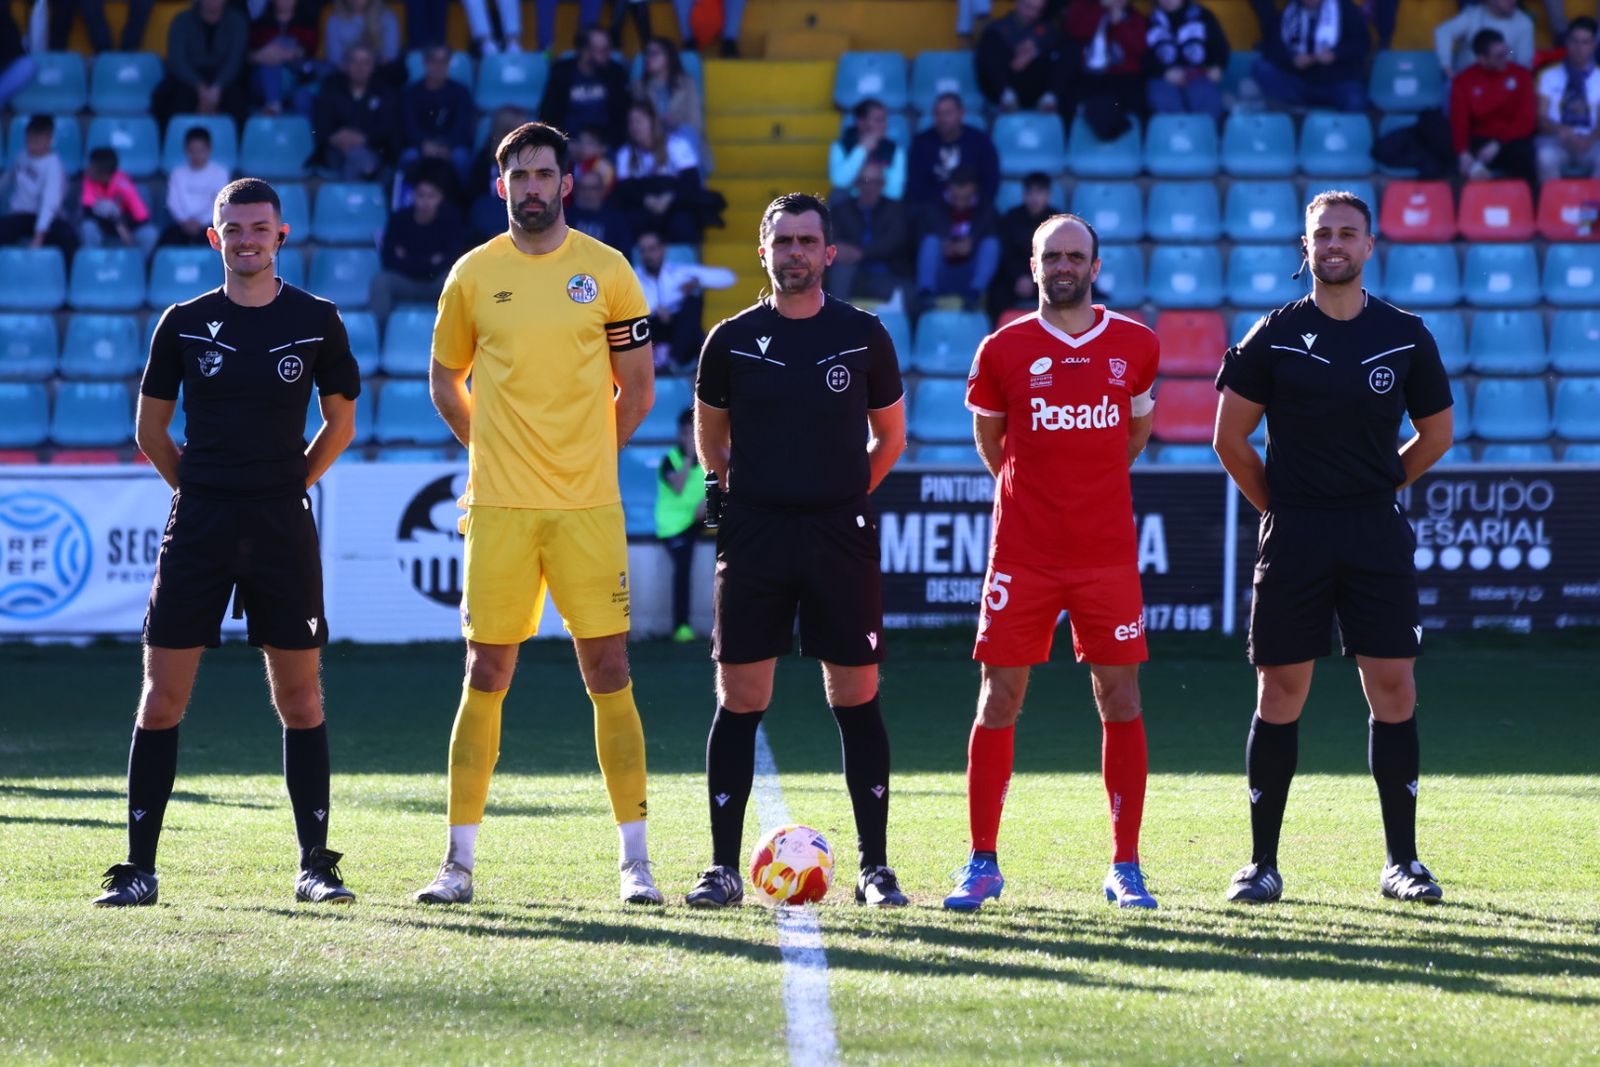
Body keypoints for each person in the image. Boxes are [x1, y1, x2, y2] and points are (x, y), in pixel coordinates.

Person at [92, 177, 362, 907]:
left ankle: (315, 866)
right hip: (201, 524)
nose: (246, 240)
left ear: (281, 235)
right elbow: (150, 430)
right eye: (232, 229)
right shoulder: (182, 322)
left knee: (300, 697)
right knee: (161, 698)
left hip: (280, 523)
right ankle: (138, 870)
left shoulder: (317, 319)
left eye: (258, 228)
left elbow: (341, 424)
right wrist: (199, 489)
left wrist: (288, 482)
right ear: (215, 238)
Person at [414, 122, 661, 907]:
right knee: (485, 671)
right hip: (500, 507)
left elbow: (639, 390)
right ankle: (456, 864)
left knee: (609, 670)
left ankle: (635, 864)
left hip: (588, 507)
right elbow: (445, 378)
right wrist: (489, 446)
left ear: (566, 183)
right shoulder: (472, 274)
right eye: (518, 176)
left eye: (544, 174)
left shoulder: (608, 271)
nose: (531, 188)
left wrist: (587, 455)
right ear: (501, 186)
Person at [1212, 190, 1455, 906]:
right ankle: (1261, 865)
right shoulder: (1274, 334)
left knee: (1394, 687)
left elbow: (1437, 434)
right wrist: (1280, 506)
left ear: (1370, 245)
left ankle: (1403, 863)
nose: (1335, 244)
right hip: (1296, 533)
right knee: (1279, 692)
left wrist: (1378, 486)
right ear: (1306, 245)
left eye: (1348, 233)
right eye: (1323, 234)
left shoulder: (1404, 334)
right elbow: (1229, 438)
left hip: (1374, 531)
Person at [686, 192, 909, 909]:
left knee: (857, 695)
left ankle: (875, 869)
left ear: (829, 252)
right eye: (783, 242)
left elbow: (890, 438)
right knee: (740, 697)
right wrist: (751, 497)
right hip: (755, 536)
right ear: (764, 253)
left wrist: (840, 494)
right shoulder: (729, 340)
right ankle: (722, 870)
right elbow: (711, 440)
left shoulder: (863, 334)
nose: (795, 253)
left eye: (807, 241)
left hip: (840, 534)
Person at [943, 213, 1161, 913]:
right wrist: (1035, 496)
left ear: (1095, 266)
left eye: (1075, 256)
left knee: (1120, 699)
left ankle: (1125, 866)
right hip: (1024, 554)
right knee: (998, 698)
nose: (1063, 266)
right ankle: (982, 862)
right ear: (1033, 266)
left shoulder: (1136, 344)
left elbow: (1134, 432)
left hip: (1106, 555)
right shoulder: (1002, 349)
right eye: (1051, 256)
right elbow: (993, 444)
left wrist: (1089, 486)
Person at [369, 174, 468, 321]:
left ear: (440, 197)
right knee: (381, 281)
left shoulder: (450, 219)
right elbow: (388, 258)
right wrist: (431, 261)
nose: (425, 201)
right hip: (405, 281)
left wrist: (407, 259)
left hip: (436, 281)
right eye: (421, 195)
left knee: (458, 281)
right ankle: (379, 332)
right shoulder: (399, 219)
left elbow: (454, 257)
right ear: (413, 196)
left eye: (431, 196)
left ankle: (455, 333)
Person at [635, 229, 734, 371]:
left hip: (678, 330)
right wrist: (657, 309)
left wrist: (697, 282)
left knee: (692, 303)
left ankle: (674, 360)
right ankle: (669, 361)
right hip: (650, 329)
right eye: (643, 250)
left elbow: (728, 278)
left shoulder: (679, 273)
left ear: (663, 249)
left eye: (652, 249)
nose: (647, 255)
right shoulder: (632, 276)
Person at [1450, 28, 1538, 185]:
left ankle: (1527, 196)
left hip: (1511, 139)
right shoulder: (1464, 81)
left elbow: (1526, 121)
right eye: (1498, 56)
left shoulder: (1521, 75)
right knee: (1444, 141)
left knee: (1523, 152)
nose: (1505, 58)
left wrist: (1499, 143)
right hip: (1479, 139)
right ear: (1481, 59)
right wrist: (1462, 151)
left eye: (1506, 52)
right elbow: (1460, 120)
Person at [1249, 0, 1370, 113]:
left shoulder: (1344, 8)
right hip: (1302, 82)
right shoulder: (1290, 12)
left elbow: (1363, 42)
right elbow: (1273, 48)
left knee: (1355, 99)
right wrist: (1293, 60)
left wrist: (1336, 54)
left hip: (1338, 81)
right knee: (1262, 68)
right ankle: (1296, 109)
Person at [613, 98, 705, 244]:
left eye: (639, 121)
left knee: (683, 222)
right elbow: (625, 190)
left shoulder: (677, 145)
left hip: (674, 204)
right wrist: (646, 200)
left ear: (652, 121)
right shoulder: (625, 154)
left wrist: (668, 199)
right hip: (643, 206)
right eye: (631, 122)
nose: (635, 126)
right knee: (628, 220)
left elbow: (691, 182)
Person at [914, 166, 1000, 312]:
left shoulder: (988, 211)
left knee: (991, 244)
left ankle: (974, 295)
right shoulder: (931, 208)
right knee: (930, 242)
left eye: (965, 198)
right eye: (956, 198)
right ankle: (926, 295)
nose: (960, 203)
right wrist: (944, 245)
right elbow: (915, 243)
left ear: (974, 190)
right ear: (949, 188)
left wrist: (972, 244)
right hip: (941, 271)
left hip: (970, 273)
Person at [827, 159, 914, 304]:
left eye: (875, 182)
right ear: (856, 183)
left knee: (909, 292)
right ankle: (835, 317)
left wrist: (861, 253)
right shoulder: (842, 210)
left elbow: (895, 241)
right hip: (854, 275)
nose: (869, 187)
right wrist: (838, 248)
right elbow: (832, 239)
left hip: (888, 274)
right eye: (865, 181)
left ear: (883, 184)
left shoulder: (896, 209)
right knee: (841, 268)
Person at [312, 44, 403, 181]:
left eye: (365, 62)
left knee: (358, 158)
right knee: (358, 159)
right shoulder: (331, 88)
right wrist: (336, 137)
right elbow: (320, 123)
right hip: (335, 150)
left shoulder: (386, 92)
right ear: (346, 65)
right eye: (354, 61)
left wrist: (363, 138)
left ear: (373, 66)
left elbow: (388, 127)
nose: (360, 67)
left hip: (373, 150)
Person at [153, 0, 249, 127]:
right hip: (188, 78)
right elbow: (177, 60)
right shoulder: (182, 20)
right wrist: (200, 87)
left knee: (237, 101)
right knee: (172, 98)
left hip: (224, 78)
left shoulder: (237, 21)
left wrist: (217, 87)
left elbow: (235, 60)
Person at [655, 409, 705, 643]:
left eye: (693, 431)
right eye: (686, 432)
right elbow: (678, 487)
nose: (689, 437)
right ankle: (681, 627)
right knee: (682, 570)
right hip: (674, 526)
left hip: (699, 520)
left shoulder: (708, 458)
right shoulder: (670, 459)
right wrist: (688, 457)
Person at [1065, 0, 1149, 134]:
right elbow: (1077, 31)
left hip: (1123, 77)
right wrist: (1101, 10)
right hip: (1088, 76)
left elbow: (1139, 49)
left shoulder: (1135, 17)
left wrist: (1119, 24)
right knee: (1071, 99)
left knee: (1129, 102)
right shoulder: (1084, 8)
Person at [398, 43, 477, 182]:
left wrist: (447, 146)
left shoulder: (461, 92)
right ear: (425, 63)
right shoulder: (411, 93)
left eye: (443, 61)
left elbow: (463, 126)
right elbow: (409, 127)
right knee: (409, 157)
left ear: (448, 63)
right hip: (421, 146)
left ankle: (465, 196)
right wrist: (425, 145)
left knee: (461, 158)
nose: (438, 66)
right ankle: (406, 195)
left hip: (452, 146)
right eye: (433, 60)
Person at [906, 92, 1001, 208]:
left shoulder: (980, 141)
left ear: (961, 113)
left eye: (947, 113)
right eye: (937, 114)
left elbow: (990, 181)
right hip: (934, 207)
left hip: (974, 207)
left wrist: (969, 199)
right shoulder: (921, 143)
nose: (942, 119)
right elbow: (917, 185)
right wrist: (948, 197)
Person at [0, 115, 78, 256]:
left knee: (68, 239)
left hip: (49, 219)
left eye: (36, 141)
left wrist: (38, 237)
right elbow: (6, 180)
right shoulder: (22, 155)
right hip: (20, 215)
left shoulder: (53, 164)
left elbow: (50, 203)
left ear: (49, 139)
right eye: (28, 140)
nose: (31, 145)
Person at [540, 27, 631, 148]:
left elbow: (621, 117)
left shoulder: (616, 73)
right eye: (602, 50)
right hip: (568, 144)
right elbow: (548, 114)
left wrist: (605, 146)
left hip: (605, 145)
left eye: (608, 48)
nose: (608, 54)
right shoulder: (562, 73)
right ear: (585, 51)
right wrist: (565, 144)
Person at [1535, 17, 1600, 182]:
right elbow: (1541, 117)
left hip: (1591, 140)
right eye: (1575, 41)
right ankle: (1554, 199)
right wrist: (1561, 130)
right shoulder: (1549, 75)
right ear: (1567, 43)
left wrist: (1590, 138)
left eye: (1585, 42)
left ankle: (1593, 198)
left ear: (1594, 45)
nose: (1579, 48)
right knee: (1545, 157)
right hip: (1557, 139)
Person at [988, 171, 1059, 321]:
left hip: (1046, 277)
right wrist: (1019, 277)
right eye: (1030, 192)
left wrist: (1036, 278)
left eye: (1039, 192)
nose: (1034, 198)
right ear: (1024, 195)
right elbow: (1006, 254)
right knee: (997, 294)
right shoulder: (1011, 218)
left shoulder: (1058, 222)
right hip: (1014, 279)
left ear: (1048, 195)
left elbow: (1057, 255)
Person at [976, 0, 1069, 113]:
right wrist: (1018, 53)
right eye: (1028, 7)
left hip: (1036, 88)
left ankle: (1050, 97)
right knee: (991, 43)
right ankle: (1006, 95)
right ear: (1018, 3)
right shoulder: (997, 27)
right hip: (1004, 84)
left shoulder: (1048, 29)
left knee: (1068, 47)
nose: (1030, 13)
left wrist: (1034, 51)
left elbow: (1057, 47)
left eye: (1037, 10)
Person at [1144, 0, 1229, 119]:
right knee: (1162, 98)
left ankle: (1204, 129)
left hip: (1199, 74)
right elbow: (1143, 57)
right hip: (1163, 77)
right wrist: (1163, 72)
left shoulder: (1203, 16)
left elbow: (1220, 47)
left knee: (1206, 98)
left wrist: (1218, 66)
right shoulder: (1149, 21)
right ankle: (1173, 130)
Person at [79, 147, 159, 258]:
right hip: (102, 225)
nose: (88, 169)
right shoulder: (88, 180)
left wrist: (120, 223)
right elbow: (87, 209)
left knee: (150, 233)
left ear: (105, 174)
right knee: (88, 227)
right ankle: (93, 262)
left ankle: (139, 265)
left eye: (92, 167)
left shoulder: (123, 183)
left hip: (126, 224)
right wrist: (109, 213)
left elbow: (142, 216)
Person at [247, 0, 321, 116]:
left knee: (303, 96)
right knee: (270, 64)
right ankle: (272, 106)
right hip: (264, 79)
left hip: (297, 77)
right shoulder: (261, 25)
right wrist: (260, 55)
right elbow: (248, 54)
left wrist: (288, 54)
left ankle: (302, 126)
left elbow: (310, 52)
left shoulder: (307, 23)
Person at [163, 127, 233, 247]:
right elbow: (173, 202)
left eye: (200, 150)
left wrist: (201, 222)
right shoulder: (177, 173)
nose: (196, 155)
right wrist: (184, 221)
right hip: (181, 225)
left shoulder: (220, 173)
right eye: (192, 150)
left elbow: (221, 204)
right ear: (186, 150)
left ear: (209, 149)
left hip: (209, 226)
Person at [829, 98, 906, 200]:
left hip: (881, 202)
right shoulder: (841, 146)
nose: (884, 125)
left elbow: (895, 191)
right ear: (861, 122)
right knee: (837, 196)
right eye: (879, 120)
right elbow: (839, 182)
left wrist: (871, 187)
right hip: (851, 201)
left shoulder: (894, 149)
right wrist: (861, 149)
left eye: (884, 120)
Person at [1435, 0, 1534, 76]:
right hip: (1466, 82)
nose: (1512, 1)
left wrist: (1507, 52)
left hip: (1502, 84)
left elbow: (1524, 63)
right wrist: (1446, 67)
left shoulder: (1523, 23)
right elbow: (1443, 32)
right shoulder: (1473, 15)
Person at [322, 0, 402, 73]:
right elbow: (335, 59)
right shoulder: (335, 20)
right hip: (345, 75)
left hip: (381, 73)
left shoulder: (387, 18)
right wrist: (356, 73)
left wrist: (368, 73)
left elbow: (390, 56)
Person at [566, 166, 633, 252]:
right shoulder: (566, 218)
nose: (587, 193)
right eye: (583, 188)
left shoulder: (615, 221)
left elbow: (623, 253)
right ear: (576, 191)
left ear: (602, 190)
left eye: (593, 188)